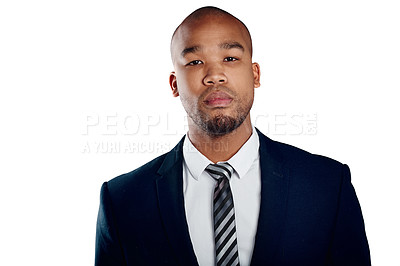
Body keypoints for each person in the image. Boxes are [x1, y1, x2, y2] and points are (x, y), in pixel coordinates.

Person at [95, 6, 370, 266]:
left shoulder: (328, 186)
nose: (215, 75)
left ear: (255, 74)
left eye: (230, 58)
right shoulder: (122, 200)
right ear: (174, 84)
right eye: (195, 61)